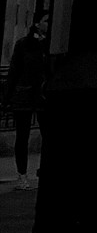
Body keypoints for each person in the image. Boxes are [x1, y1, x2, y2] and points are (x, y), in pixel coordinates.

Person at [6, 12, 49, 188]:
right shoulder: (24, 44)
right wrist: (8, 95)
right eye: (46, 21)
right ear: (37, 24)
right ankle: (22, 174)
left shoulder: (53, 44)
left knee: (48, 135)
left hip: (44, 95)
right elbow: (14, 70)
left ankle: (45, 171)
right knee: (22, 136)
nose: (49, 24)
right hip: (25, 93)